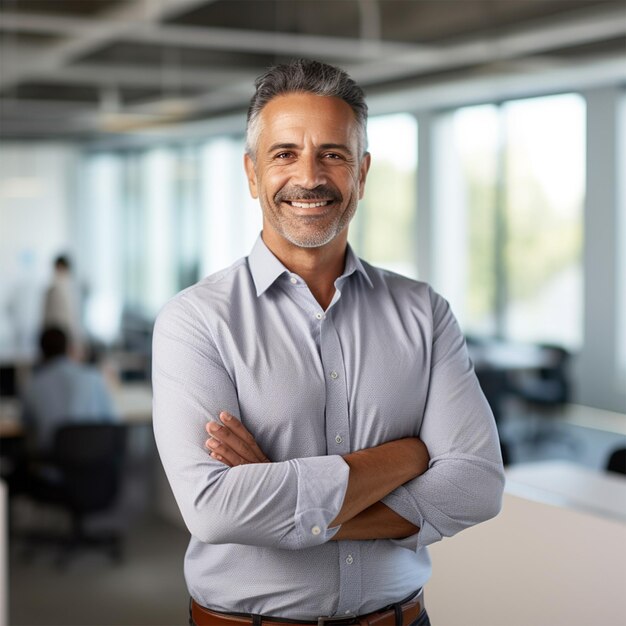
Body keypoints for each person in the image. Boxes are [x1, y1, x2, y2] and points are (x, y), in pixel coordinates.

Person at [152, 59, 505, 626]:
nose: (309, 176)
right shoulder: (195, 321)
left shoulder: (424, 312)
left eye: (333, 155)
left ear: (361, 174)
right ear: (251, 173)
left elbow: (478, 485)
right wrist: (407, 455)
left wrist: (283, 499)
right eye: (284, 153)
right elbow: (215, 509)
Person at [22, 327, 117, 456]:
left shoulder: (33, 385)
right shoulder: (94, 377)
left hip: (56, 466)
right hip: (97, 462)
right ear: (68, 348)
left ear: (41, 352)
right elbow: (113, 421)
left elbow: (26, 422)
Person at [42, 254, 84, 359]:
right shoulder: (69, 287)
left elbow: (70, 317)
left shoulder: (61, 287)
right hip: (61, 337)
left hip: (61, 337)